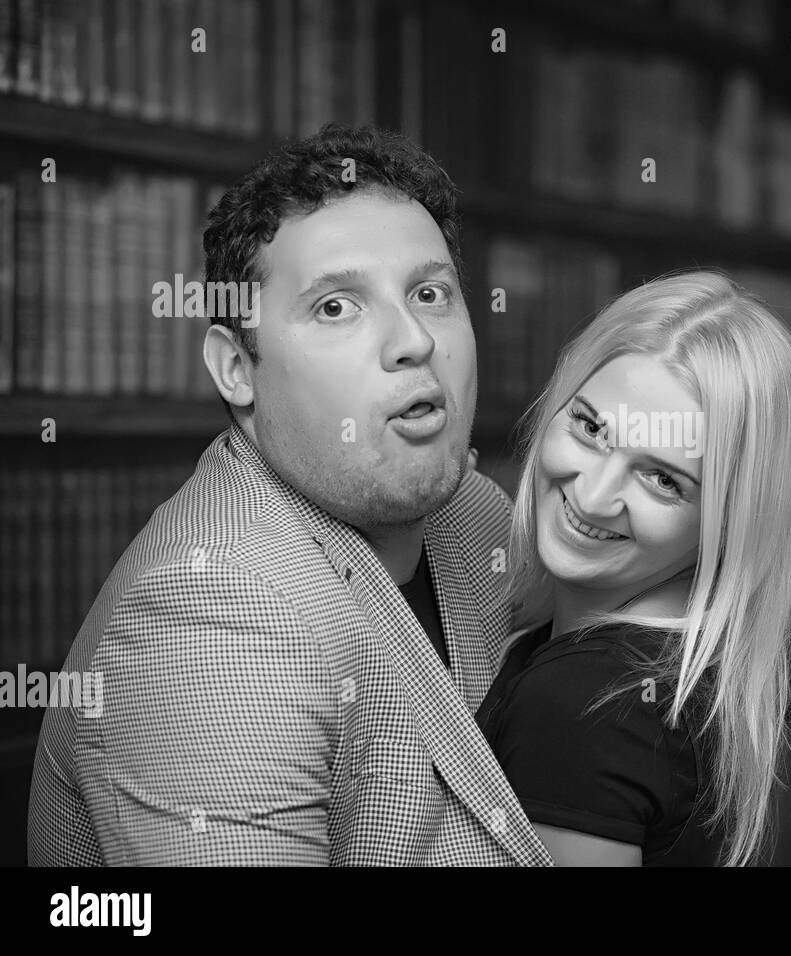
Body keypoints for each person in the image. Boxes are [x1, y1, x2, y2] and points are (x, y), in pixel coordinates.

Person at [28, 125, 552, 866]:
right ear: (237, 368)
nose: (413, 340)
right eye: (336, 307)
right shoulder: (212, 621)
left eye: (430, 293)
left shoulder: (475, 514)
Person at [475, 271, 791, 866]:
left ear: (727, 524)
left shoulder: (589, 705)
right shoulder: (680, 675)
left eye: (662, 479)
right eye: (590, 428)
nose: (593, 496)